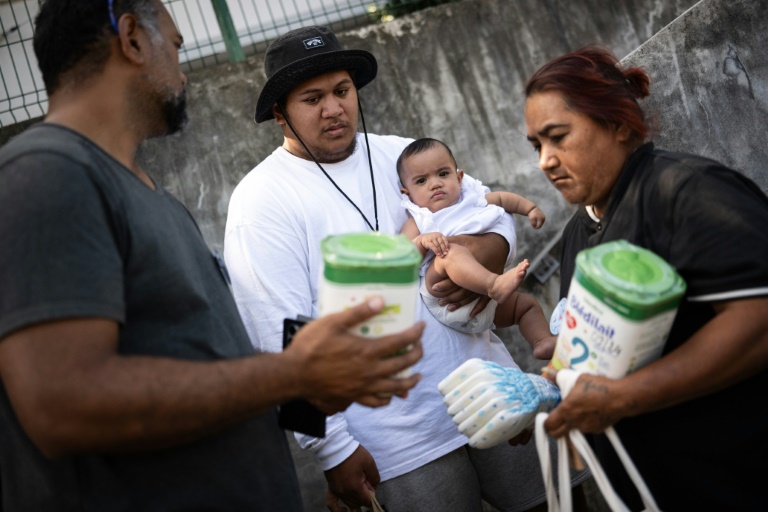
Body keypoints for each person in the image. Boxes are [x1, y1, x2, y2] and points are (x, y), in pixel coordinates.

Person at [0, 2, 423, 510]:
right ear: (132, 38)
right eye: (176, 47)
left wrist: (312, 386)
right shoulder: (46, 175)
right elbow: (61, 403)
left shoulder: (153, 198)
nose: (183, 72)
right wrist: (294, 377)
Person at [225, 25, 589, 512]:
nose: (333, 108)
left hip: (492, 390)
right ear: (279, 112)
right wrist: (331, 448)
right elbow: (278, 332)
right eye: (312, 98)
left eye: (342, 91)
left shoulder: (402, 154)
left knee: (564, 505)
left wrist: (480, 261)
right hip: (396, 440)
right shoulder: (261, 200)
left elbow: (492, 213)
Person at [524, 45, 768, 511]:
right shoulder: (580, 229)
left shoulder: (685, 190)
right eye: (537, 145)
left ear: (618, 124)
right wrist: (552, 396)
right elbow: (597, 347)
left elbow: (758, 320)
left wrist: (622, 398)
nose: (545, 161)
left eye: (557, 137)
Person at [398, 138, 554, 358]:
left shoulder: (472, 199)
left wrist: (530, 208)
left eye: (443, 174)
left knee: (526, 306)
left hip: (483, 308)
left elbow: (502, 199)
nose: (435, 184)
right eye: (422, 181)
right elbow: (403, 257)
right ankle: (493, 284)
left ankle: (542, 341)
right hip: (441, 296)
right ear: (407, 193)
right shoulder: (418, 219)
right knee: (450, 252)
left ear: (459, 177)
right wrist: (423, 242)